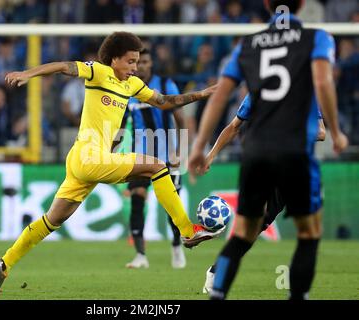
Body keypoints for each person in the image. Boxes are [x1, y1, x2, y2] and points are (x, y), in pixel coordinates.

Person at [0, 31, 220, 294]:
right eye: (130, 62)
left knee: (52, 220)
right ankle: (187, 230)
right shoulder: (97, 72)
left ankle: (2, 264)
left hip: (84, 161)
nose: (134, 68)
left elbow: (165, 102)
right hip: (88, 157)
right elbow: (63, 66)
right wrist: (28, 73)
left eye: (137, 62)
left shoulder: (131, 85)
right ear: (114, 59)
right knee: (157, 166)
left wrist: (203, 94)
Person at [188, 0, 348, 300]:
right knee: (308, 234)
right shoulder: (316, 41)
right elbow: (324, 108)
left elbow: (224, 103)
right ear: (301, 5)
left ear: (266, 5)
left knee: (245, 231)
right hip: (293, 155)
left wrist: (203, 150)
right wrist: (337, 132)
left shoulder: (249, 48)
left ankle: (217, 288)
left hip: (257, 154)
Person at [200, 93, 326, 294]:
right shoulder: (258, 92)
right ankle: (216, 275)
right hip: (265, 165)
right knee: (252, 227)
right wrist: (211, 156)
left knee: (301, 230)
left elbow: (321, 133)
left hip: (296, 169)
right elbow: (234, 127)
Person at [124, 48, 187, 269]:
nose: (141, 66)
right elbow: (121, 124)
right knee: (137, 200)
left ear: (151, 64)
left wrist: (179, 152)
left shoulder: (165, 84)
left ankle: (177, 246)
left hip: (166, 158)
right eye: (138, 62)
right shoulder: (127, 88)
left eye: (146, 62)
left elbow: (180, 118)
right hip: (140, 157)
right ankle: (141, 255)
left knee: (172, 207)